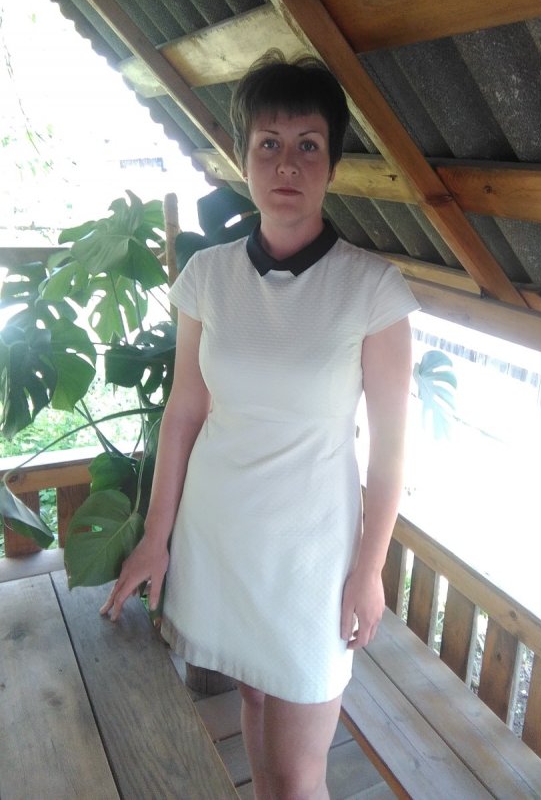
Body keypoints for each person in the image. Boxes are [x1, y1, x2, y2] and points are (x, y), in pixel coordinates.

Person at [100, 50, 418, 799]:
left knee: (301, 774)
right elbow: (185, 412)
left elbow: (391, 450)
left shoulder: (372, 288)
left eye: (308, 144)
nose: (287, 163)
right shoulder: (207, 276)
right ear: (242, 157)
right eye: (268, 143)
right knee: (252, 703)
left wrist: (368, 569)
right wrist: (154, 536)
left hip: (312, 558)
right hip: (220, 538)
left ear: (332, 163)